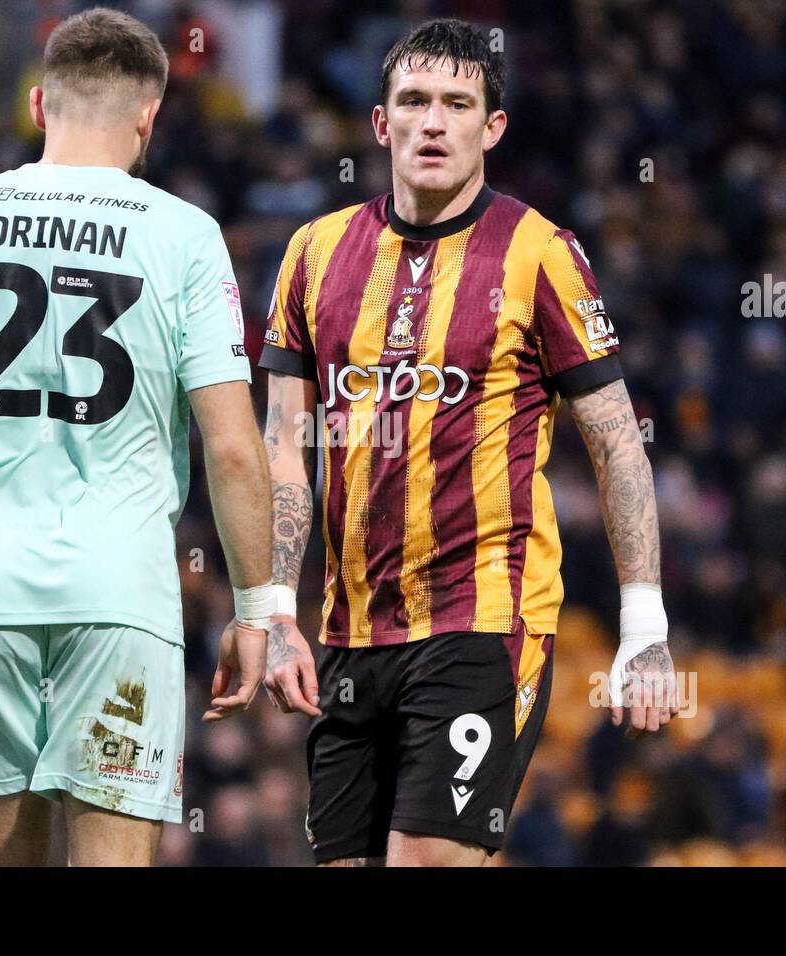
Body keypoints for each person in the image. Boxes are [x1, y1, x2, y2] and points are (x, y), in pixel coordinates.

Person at [0, 7, 272, 867]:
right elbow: (231, 448)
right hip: (121, 600)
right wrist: (256, 611)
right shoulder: (185, 236)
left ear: (38, 105)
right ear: (149, 117)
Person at [256, 17, 679, 867]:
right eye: (413, 101)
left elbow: (616, 443)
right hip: (351, 631)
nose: (433, 122)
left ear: (493, 128)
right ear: (381, 123)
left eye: (458, 103)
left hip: (485, 618)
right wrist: (272, 610)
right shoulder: (312, 253)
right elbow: (282, 447)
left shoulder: (540, 253)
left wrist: (645, 624)